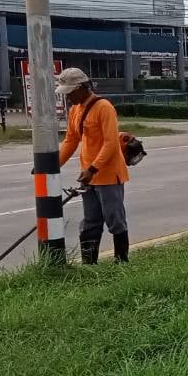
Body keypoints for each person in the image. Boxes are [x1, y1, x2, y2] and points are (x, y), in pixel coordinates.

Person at [56, 67, 130, 264]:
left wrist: (93, 168)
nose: (68, 97)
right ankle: (89, 264)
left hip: (108, 175)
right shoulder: (75, 110)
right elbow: (71, 140)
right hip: (88, 176)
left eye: (70, 92)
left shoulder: (104, 107)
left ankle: (121, 261)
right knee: (90, 221)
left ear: (81, 88)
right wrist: (53, 165)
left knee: (114, 218)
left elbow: (111, 143)